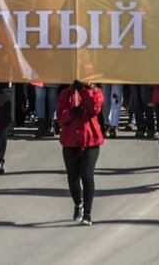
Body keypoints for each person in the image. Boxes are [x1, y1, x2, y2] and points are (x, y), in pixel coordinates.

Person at [56, 81, 103, 225]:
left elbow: (94, 108)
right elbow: (60, 118)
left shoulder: (96, 92)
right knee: (73, 177)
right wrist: (71, 113)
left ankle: (87, 213)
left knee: (87, 175)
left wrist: (84, 90)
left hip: (90, 140)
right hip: (70, 140)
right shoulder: (66, 94)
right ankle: (78, 203)